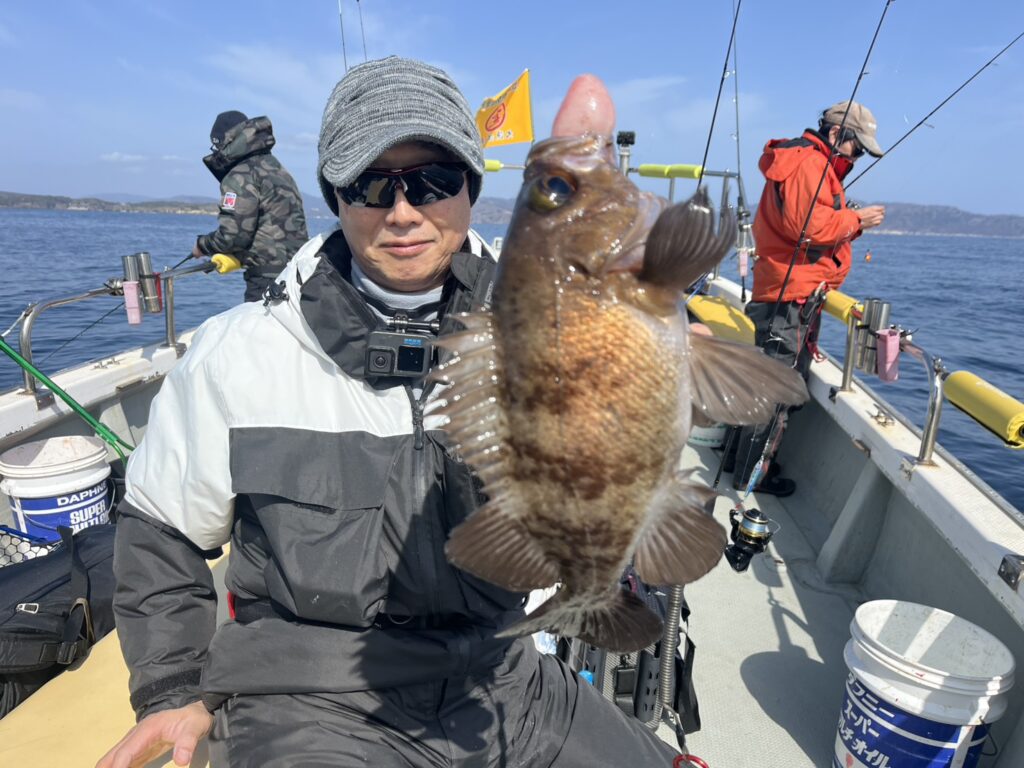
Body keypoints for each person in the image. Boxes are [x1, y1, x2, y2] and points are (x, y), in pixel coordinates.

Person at [98, 56, 683, 768]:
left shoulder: (554, 328)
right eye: (372, 185)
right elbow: (160, 530)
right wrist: (173, 687)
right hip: (307, 696)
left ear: (470, 187)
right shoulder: (236, 353)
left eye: (433, 182)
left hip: (504, 674)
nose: (403, 212)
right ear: (336, 198)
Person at [729, 100, 886, 496]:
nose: (857, 157)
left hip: (787, 291)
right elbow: (807, 229)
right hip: (790, 296)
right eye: (857, 147)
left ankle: (740, 462)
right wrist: (856, 220)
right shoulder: (810, 164)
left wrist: (845, 220)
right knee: (777, 390)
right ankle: (751, 476)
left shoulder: (804, 161)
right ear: (836, 134)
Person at [192, 110, 309, 303]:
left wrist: (201, 245)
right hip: (296, 275)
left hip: (267, 280)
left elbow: (232, 237)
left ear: (224, 142)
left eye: (216, 145)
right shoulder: (276, 167)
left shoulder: (240, 175)